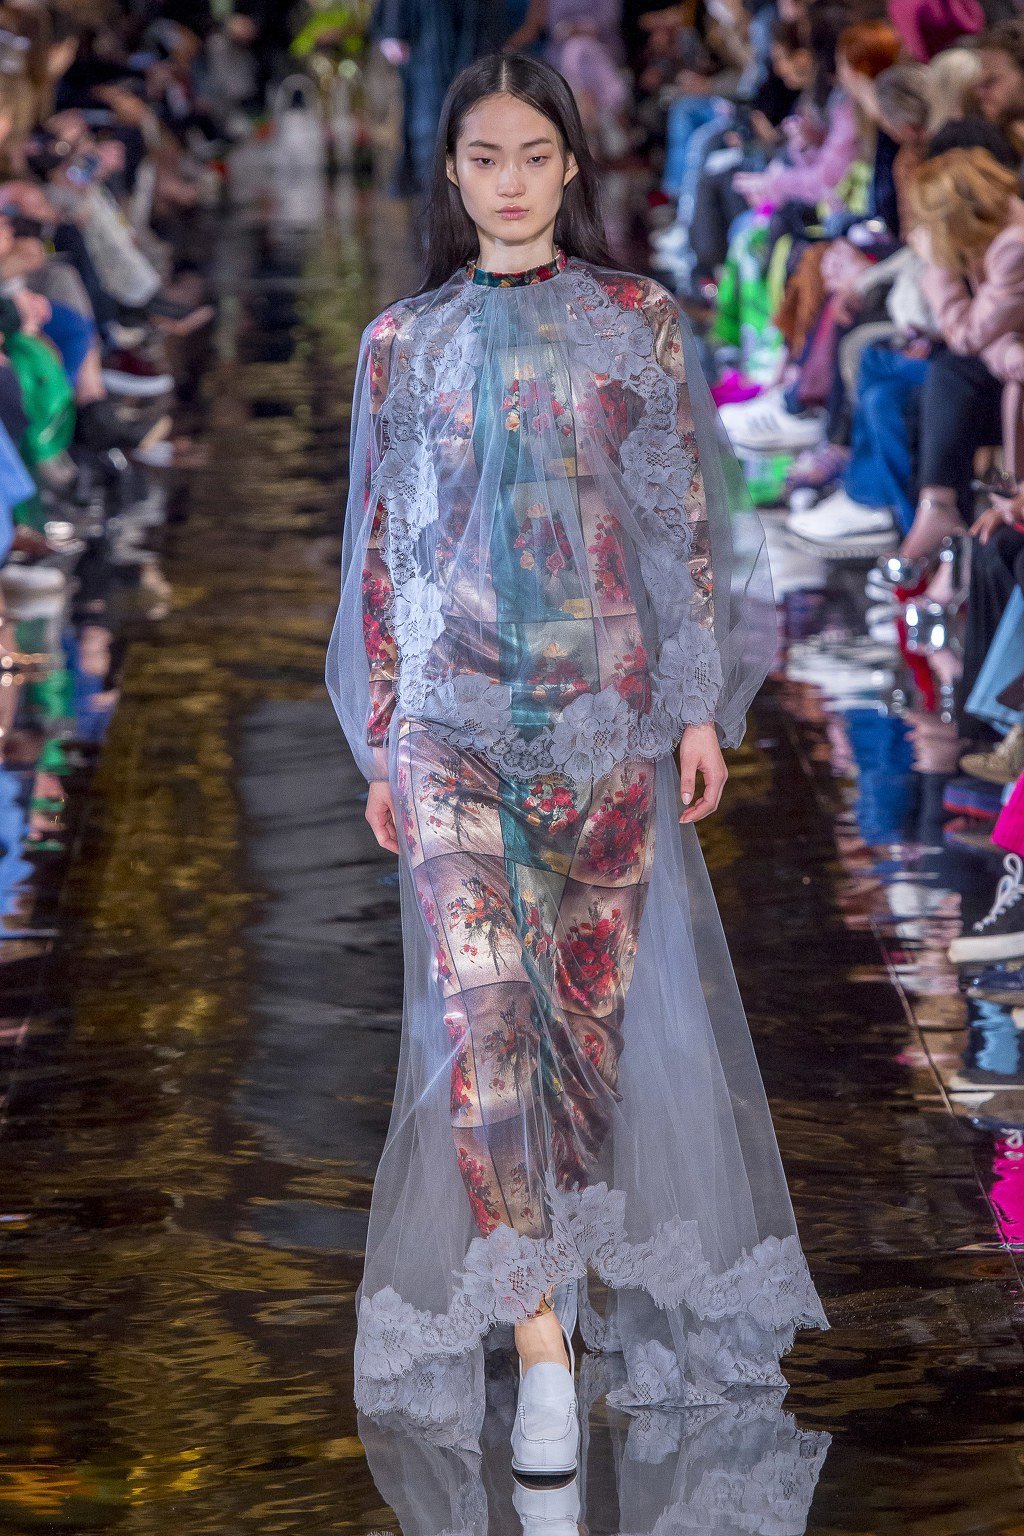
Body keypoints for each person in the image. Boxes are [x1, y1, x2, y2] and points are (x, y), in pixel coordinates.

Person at [326, 51, 828, 1474]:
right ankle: (540, 1348)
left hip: (605, 719)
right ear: (452, 170)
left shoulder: (639, 323)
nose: (509, 182)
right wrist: (384, 730)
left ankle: (560, 1287)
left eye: (534, 155)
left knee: (584, 1048)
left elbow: (679, 526)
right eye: (484, 157)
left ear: (568, 164)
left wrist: (695, 705)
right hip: (449, 723)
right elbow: (381, 547)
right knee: (485, 1024)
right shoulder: (399, 342)